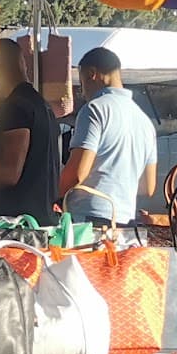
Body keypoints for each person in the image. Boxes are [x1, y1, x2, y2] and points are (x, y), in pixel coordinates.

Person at [60, 46, 158, 225]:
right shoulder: (145, 121)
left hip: (89, 220)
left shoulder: (94, 109)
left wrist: (51, 196)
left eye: (82, 84)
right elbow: (148, 187)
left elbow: (77, 174)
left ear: (92, 74)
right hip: (125, 220)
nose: (82, 92)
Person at [0, 36, 59, 222]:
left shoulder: (15, 107)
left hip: (16, 224)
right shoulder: (41, 105)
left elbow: (9, 173)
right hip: (41, 218)